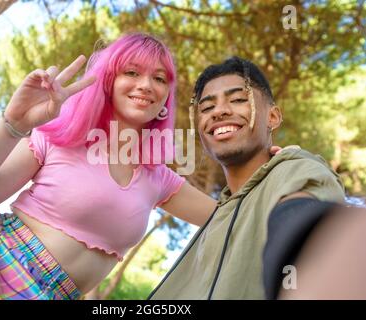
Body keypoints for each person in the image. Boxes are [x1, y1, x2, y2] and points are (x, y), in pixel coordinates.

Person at [0, 33, 224, 300]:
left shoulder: (159, 178)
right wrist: (13, 124)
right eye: (132, 72)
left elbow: (228, 217)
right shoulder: (59, 138)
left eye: (159, 78)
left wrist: (266, 165)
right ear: (108, 80)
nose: (146, 85)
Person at [148, 56, 346, 300]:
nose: (219, 111)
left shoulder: (297, 169)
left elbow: (305, 227)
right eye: (207, 108)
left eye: (239, 99)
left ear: (272, 117)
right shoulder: (217, 216)